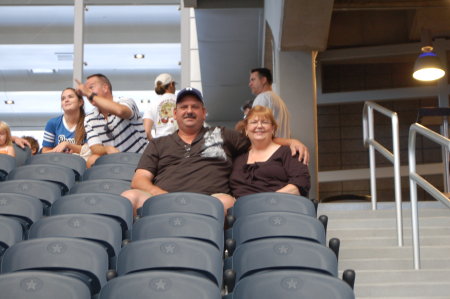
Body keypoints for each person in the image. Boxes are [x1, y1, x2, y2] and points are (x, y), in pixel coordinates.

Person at [121, 87, 309, 216]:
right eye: (183, 107)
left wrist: (289, 141)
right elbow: (139, 180)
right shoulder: (159, 143)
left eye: (195, 107)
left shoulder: (223, 134)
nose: (189, 111)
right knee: (129, 197)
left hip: (210, 201)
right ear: (175, 114)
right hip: (162, 199)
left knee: (227, 202)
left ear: (204, 113)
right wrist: (162, 195)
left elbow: (258, 137)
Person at [230, 106, 310, 198]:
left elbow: (301, 182)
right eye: (254, 122)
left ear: (272, 129)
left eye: (264, 122)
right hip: (241, 210)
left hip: (278, 207)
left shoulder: (288, 152)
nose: (259, 126)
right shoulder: (238, 158)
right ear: (246, 129)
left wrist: (268, 200)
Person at [75, 74, 147, 167]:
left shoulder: (126, 102)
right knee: (92, 159)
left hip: (139, 162)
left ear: (105, 88)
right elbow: (94, 146)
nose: (87, 92)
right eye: (86, 89)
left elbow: (120, 111)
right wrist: (107, 149)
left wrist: (89, 94)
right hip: (114, 165)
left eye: (91, 87)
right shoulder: (89, 118)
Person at [41, 88, 86, 154]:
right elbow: (45, 152)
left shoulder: (88, 122)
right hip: (58, 162)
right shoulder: (52, 123)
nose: (66, 100)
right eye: (63, 98)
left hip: (81, 162)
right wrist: (59, 151)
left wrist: (67, 144)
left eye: (70, 97)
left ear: (80, 102)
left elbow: (90, 150)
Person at [249, 67, 291, 138]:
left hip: (271, 147)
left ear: (263, 80)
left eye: (253, 80)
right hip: (282, 147)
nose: (250, 84)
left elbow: (257, 132)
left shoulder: (262, 98)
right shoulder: (280, 101)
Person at [143, 73, 177, 140]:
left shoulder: (152, 105)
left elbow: (146, 132)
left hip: (160, 145)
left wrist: (155, 145)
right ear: (171, 84)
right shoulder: (182, 101)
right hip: (179, 144)